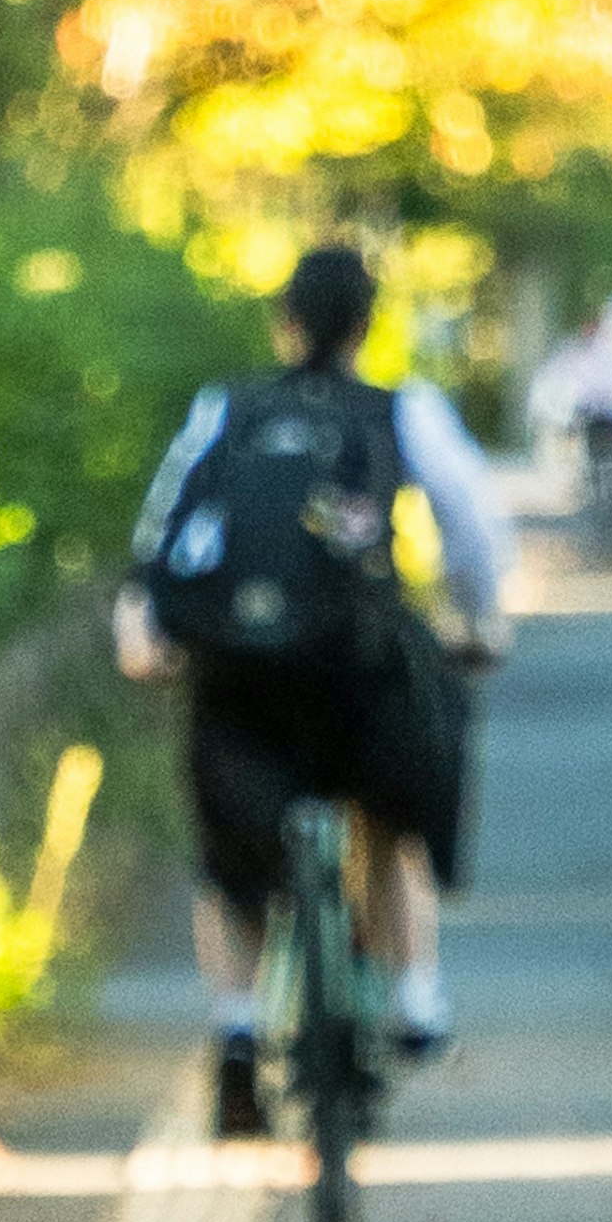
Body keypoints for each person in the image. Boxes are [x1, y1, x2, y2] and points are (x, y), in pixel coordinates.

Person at [116, 244, 514, 1140]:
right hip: (356, 664)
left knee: (230, 853)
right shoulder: (401, 411)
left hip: (240, 668)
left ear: (284, 320)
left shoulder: (226, 408)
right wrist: (481, 624)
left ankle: (238, 1029)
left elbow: (165, 526)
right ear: (369, 324)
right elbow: (472, 526)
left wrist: (147, 625)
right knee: (397, 803)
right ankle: (415, 994)